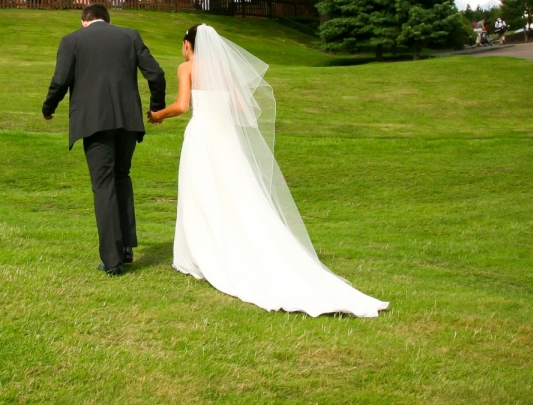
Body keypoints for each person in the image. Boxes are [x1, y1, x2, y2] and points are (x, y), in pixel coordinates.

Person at [149, 24, 388, 317]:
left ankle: (203, 254)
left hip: (201, 137)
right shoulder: (224, 69)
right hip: (226, 139)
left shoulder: (187, 68)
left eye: (183, 44)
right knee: (237, 194)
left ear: (189, 45)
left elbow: (182, 106)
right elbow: (240, 105)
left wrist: (158, 114)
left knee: (200, 193)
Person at [42, 3, 166, 276]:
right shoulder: (130, 35)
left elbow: (60, 80)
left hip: (93, 122)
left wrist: (48, 108)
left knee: (103, 185)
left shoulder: (71, 39)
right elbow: (156, 73)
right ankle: (125, 249)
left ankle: (112, 261)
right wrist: (157, 108)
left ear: (84, 21)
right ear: (108, 21)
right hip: (127, 120)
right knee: (122, 177)